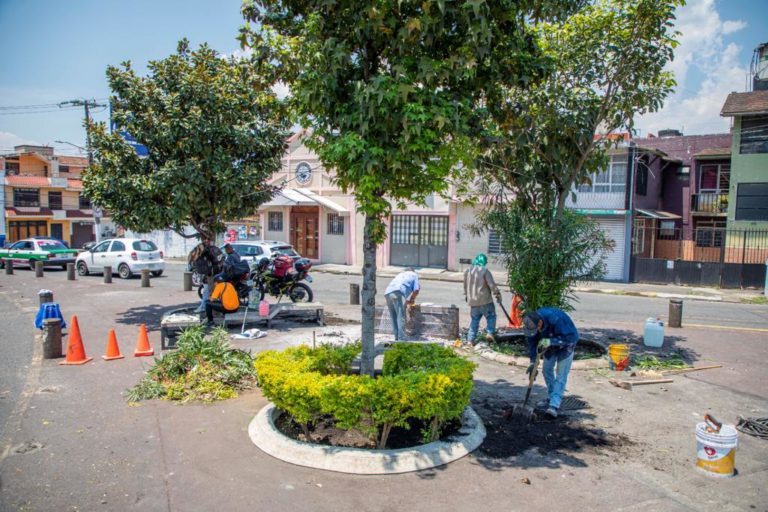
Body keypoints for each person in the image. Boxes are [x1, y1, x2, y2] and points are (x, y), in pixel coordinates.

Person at [523, 307, 579, 419]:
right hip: (548, 343)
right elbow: (532, 343)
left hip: (566, 344)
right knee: (546, 370)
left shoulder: (556, 318)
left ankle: (554, 406)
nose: (535, 332)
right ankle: (552, 396)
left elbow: (569, 338)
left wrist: (552, 341)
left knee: (561, 375)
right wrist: (532, 363)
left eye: (536, 329)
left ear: (540, 322)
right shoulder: (531, 325)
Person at [463, 253, 501, 344]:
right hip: (485, 300)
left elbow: (465, 286)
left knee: (474, 320)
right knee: (491, 317)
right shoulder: (485, 270)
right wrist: (497, 294)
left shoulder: (468, 271)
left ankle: (470, 340)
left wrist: (467, 295)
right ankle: (490, 333)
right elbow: (491, 285)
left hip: (473, 301)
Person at [383, 268, 420, 341]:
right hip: (398, 291)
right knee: (401, 316)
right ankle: (401, 338)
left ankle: (397, 337)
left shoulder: (400, 274)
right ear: (413, 271)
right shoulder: (414, 275)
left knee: (394, 316)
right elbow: (416, 289)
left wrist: (407, 300)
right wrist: (412, 299)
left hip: (387, 293)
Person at [188, 239, 224, 313]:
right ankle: (205, 306)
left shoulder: (206, 251)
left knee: (208, 292)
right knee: (207, 291)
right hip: (214, 273)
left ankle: (206, 307)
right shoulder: (212, 250)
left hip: (211, 275)